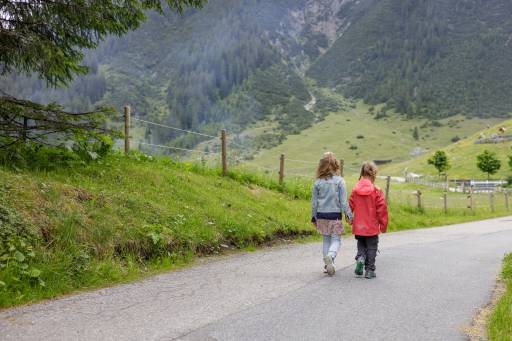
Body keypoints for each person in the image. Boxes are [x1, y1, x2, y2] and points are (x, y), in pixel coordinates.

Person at [311, 152, 353, 276]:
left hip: (322, 215)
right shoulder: (340, 181)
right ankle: (331, 256)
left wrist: (314, 217)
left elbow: (314, 203)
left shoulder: (317, 183)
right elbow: (344, 202)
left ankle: (327, 265)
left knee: (326, 239)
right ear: (335, 165)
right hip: (335, 215)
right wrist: (349, 215)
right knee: (336, 240)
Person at [349, 161, 388, 279]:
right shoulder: (377, 190)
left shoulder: (355, 189)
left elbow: (350, 204)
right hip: (371, 226)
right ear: (373, 174)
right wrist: (383, 225)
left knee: (361, 243)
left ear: (362, 173)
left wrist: (349, 218)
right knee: (372, 247)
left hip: (359, 226)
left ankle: (360, 257)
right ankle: (370, 270)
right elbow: (382, 209)